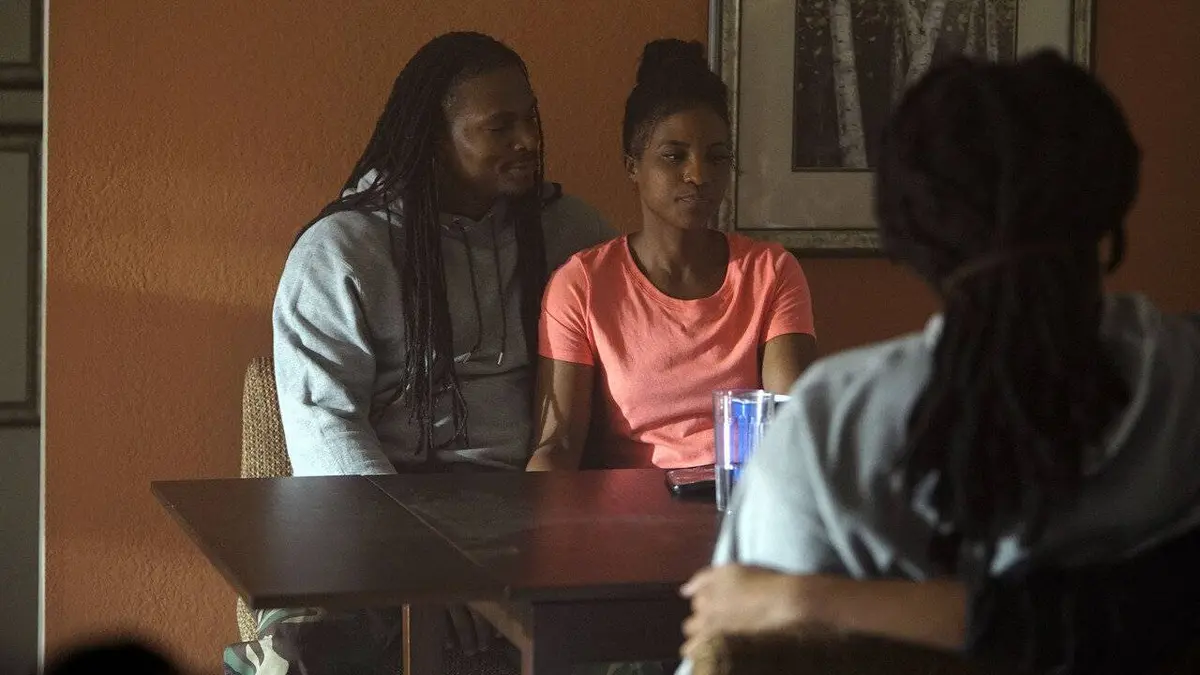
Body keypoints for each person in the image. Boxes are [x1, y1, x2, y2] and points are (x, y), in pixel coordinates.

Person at [677, 52, 1200, 674]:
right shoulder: (1184, 383)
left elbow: (737, 652)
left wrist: (807, 601)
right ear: (1112, 200)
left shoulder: (832, 429)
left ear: (910, 234)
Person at [253, 31, 612, 675]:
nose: (527, 140)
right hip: (382, 523)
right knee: (319, 650)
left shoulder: (571, 233)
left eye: (529, 118)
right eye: (499, 127)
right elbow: (326, 429)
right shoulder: (340, 253)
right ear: (437, 141)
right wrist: (425, 568)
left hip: (528, 519)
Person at [528, 39, 817, 473]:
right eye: (674, 156)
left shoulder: (769, 272)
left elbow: (790, 424)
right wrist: (532, 511)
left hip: (738, 500)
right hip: (626, 509)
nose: (699, 175)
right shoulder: (581, 286)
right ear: (632, 165)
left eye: (717, 158)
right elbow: (559, 442)